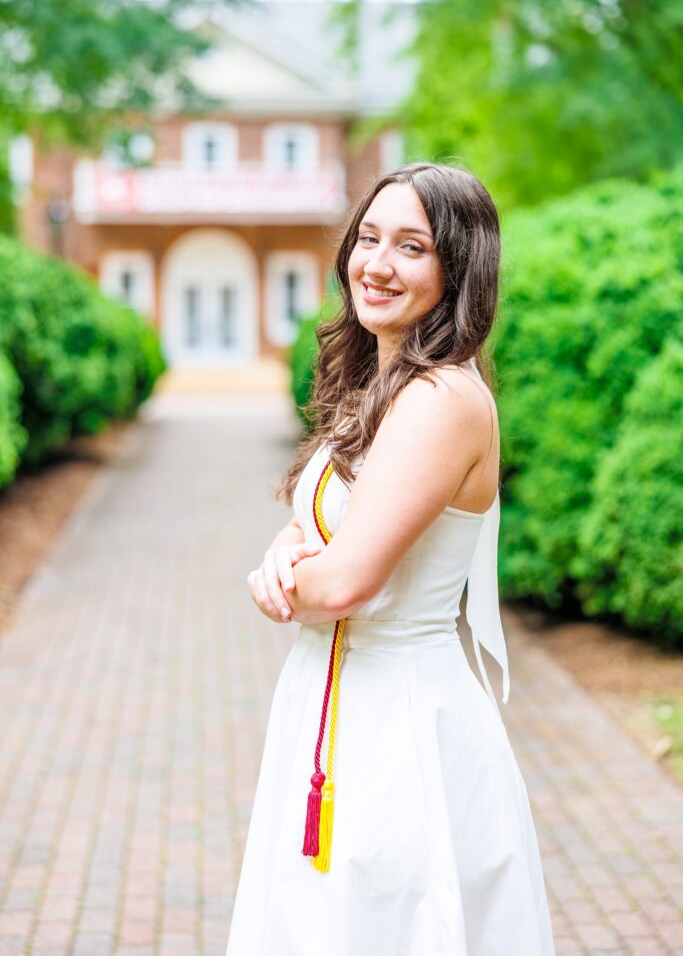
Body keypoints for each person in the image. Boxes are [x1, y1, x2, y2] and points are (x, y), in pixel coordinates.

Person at [226, 162, 557, 955]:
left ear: (457, 269)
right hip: (333, 700)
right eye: (368, 238)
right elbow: (325, 537)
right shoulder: (382, 385)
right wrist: (284, 548)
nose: (375, 263)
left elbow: (344, 580)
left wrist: (277, 581)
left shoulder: (441, 398)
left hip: (399, 724)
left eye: (411, 246)